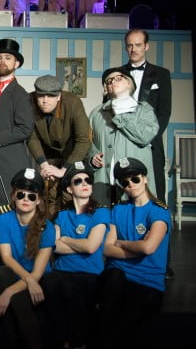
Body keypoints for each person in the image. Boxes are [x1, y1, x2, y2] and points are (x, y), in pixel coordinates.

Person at [98, 157, 171, 348]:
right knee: (111, 284)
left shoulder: (159, 211)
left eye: (135, 179)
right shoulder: (118, 209)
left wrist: (121, 243)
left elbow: (148, 248)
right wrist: (135, 248)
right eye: (125, 182)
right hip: (118, 275)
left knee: (121, 331)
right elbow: (106, 247)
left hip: (147, 281)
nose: (131, 184)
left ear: (145, 179)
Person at [44, 161, 109, 349]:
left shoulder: (100, 212)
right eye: (78, 181)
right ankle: (63, 340)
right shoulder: (62, 215)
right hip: (62, 270)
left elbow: (91, 247)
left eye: (88, 180)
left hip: (88, 273)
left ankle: (77, 342)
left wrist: (65, 239)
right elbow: (53, 245)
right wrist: (79, 243)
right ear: (69, 189)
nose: (84, 183)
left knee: (70, 288)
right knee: (48, 282)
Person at [0, 168, 55, 349]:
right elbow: (6, 257)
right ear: (13, 197)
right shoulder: (3, 219)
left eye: (32, 196)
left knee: (15, 297)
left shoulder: (47, 227)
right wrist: (27, 281)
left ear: (39, 200)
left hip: (38, 278)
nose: (25, 199)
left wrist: (8, 292)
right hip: (17, 274)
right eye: (21, 195)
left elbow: (38, 272)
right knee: (2, 273)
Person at [87, 67, 159, 206]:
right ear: (106, 89)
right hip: (104, 181)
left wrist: (120, 112)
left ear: (129, 83)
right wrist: (92, 157)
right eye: (109, 81)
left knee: (136, 216)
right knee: (103, 217)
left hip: (134, 183)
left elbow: (144, 136)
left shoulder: (144, 109)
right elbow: (88, 143)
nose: (113, 82)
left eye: (118, 78)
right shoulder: (96, 113)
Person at [27, 75, 91, 219]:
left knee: (71, 192)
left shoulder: (73, 103)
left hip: (73, 153)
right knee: (50, 194)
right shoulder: (28, 102)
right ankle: (51, 227)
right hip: (48, 154)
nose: (45, 100)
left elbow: (83, 140)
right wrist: (44, 164)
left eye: (50, 96)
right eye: (41, 95)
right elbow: (31, 137)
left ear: (59, 96)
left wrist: (65, 170)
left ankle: (73, 227)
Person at [0, 39, 34, 206]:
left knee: (9, 205)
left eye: (8, 58)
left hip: (10, 160)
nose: (2, 61)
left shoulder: (20, 94)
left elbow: (26, 129)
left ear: (16, 64)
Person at [122, 29, 172, 204]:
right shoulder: (117, 74)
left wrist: (149, 137)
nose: (133, 49)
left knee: (155, 193)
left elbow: (164, 112)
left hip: (151, 142)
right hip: (124, 141)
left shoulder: (162, 74)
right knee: (124, 192)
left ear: (146, 46)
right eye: (129, 45)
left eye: (138, 45)